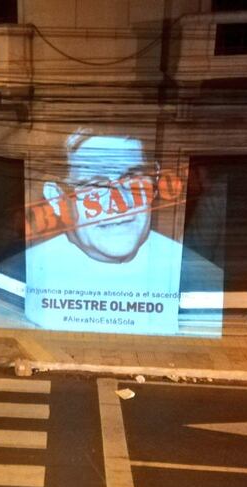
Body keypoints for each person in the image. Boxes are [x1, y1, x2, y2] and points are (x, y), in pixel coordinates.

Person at [24, 129, 185, 335]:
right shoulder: (30, 268)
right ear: (56, 198)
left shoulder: (186, 269)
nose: (119, 204)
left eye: (132, 180)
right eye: (94, 186)